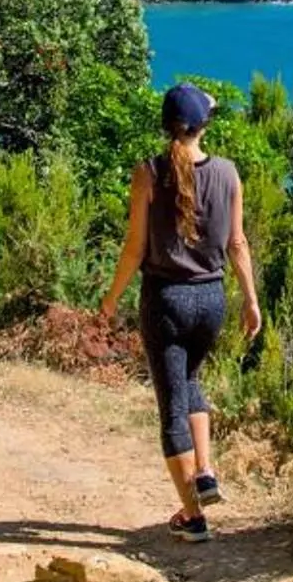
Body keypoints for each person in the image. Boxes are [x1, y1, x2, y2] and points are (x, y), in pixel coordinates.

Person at [100, 82, 263, 542]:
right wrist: (250, 300)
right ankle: (206, 471)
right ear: (204, 125)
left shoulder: (147, 173)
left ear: (166, 124)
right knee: (191, 383)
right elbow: (237, 243)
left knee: (172, 406)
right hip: (212, 300)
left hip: (165, 300)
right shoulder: (229, 174)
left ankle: (193, 517)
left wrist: (111, 299)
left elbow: (135, 249)